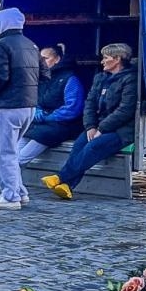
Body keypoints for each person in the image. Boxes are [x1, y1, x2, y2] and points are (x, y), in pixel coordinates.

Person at [44, 43, 138, 200]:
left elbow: (125, 110)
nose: (102, 61)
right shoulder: (100, 78)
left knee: (93, 147)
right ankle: (67, 186)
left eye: (105, 58)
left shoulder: (131, 80)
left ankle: (61, 177)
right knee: (79, 145)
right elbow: (90, 104)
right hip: (99, 125)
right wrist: (91, 126)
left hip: (122, 130)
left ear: (117, 59)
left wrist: (102, 128)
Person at [0, 6, 44, 211]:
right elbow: (45, 75)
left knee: (4, 153)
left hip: (10, 105)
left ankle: (10, 197)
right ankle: (19, 191)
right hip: (29, 105)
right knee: (11, 151)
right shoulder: (31, 45)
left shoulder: (2, 45)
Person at [18, 44, 86, 163]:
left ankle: (0, 171)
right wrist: (36, 110)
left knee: (23, 157)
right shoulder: (41, 78)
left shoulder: (70, 79)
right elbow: (33, 98)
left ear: (57, 59)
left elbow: (73, 108)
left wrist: (51, 117)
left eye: (45, 58)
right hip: (41, 122)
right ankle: (7, 173)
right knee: (23, 134)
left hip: (63, 124)